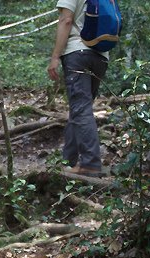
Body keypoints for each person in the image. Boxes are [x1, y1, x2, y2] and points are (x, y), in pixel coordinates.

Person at [47, 0, 109, 177]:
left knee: (81, 109)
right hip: (101, 56)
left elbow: (66, 20)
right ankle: (68, 161)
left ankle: (91, 164)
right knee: (80, 109)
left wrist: (55, 57)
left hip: (77, 52)